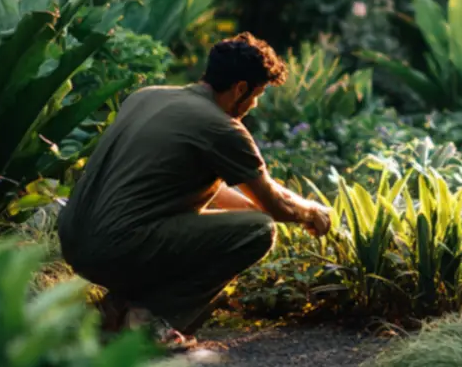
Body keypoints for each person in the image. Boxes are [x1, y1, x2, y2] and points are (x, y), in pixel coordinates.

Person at [57, 33, 332, 348]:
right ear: (240, 88)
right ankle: (148, 321)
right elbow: (275, 205)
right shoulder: (221, 127)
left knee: (245, 221)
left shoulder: (146, 97)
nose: (255, 105)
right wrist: (312, 212)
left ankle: (114, 311)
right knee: (258, 230)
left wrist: (249, 206)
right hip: (114, 249)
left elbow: (175, 180)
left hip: (74, 241)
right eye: (258, 94)